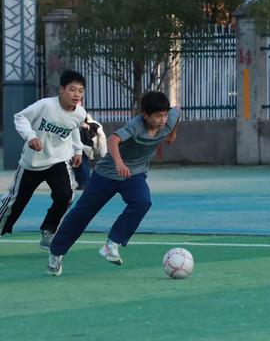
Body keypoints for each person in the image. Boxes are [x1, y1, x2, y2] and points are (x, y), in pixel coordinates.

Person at [47, 91, 180, 276]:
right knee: (82, 214)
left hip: (134, 174)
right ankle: (56, 253)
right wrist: (119, 163)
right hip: (107, 173)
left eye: (165, 115)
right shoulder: (136, 125)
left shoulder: (168, 119)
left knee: (142, 201)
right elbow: (113, 140)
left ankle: (112, 244)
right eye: (158, 116)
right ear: (145, 115)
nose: (163, 120)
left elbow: (177, 112)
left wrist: (171, 134)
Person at [0, 70, 86, 249]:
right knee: (15, 203)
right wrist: (30, 136)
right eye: (72, 89)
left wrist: (78, 151)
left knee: (66, 195)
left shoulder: (80, 113)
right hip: (32, 163)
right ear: (62, 90)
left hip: (58, 161)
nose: (77, 94)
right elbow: (20, 116)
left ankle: (49, 230)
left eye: (80, 90)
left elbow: (74, 128)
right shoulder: (45, 105)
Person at [74, 114, 107, 190]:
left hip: (87, 147)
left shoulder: (94, 124)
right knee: (77, 165)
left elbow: (102, 138)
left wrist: (103, 152)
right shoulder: (76, 123)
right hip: (77, 147)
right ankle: (81, 183)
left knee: (82, 164)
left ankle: (85, 183)